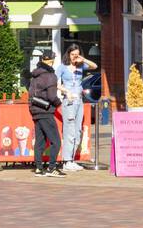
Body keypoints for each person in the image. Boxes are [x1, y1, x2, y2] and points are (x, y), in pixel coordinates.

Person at [55, 43, 98, 173]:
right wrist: (66, 91)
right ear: (68, 54)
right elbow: (56, 83)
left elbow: (94, 66)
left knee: (78, 130)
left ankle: (72, 159)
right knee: (70, 130)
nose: (74, 57)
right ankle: (66, 160)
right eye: (73, 54)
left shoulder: (80, 66)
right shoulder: (62, 67)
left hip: (79, 100)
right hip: (69, 100)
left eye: (77, 54)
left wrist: (83, 59)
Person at [28, 49, 62, 177]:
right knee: (56, 141)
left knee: (40, 141)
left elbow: (32, 94)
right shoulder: (50, 76)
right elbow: (52, 96)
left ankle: (38, 168)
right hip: (46, 111)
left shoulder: (35, 75)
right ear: (52, 61)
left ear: (42, 60)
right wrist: (60, 104)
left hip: (35, 110)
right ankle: (52, 168)